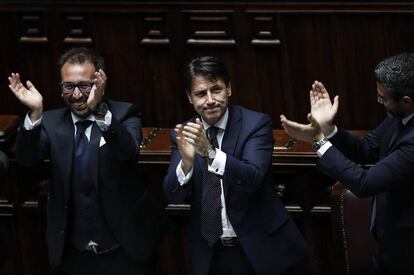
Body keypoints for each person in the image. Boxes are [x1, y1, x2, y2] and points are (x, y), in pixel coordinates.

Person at [8, 47, 166, 275]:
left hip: (125, 250)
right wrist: (34, 114)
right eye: (69, 87)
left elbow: (127, 151)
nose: (77, 95)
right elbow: (27, 158)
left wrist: (99, 109)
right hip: (73, 254)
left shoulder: (124, 113)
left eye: (84, 86)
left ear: (99, 82)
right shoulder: (51, 122)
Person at [163, 56, 307, 275]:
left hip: (256, 248)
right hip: (210, 253)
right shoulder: (183, 133)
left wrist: (210, 153)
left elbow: (253, 178)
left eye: (216, 90)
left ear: (229, 89)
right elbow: (173, 196)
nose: (210, 100)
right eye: (201, 94)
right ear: (189, 98)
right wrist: (187, 162)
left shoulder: (255, 124)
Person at [280, 53, 414, 274]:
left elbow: (364, 183)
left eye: (383, 98)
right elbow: (367, 148)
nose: (380, 102)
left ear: (406, 101)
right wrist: (328, 129)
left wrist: (318, 142)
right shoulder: (400, 116)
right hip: (389, 242)